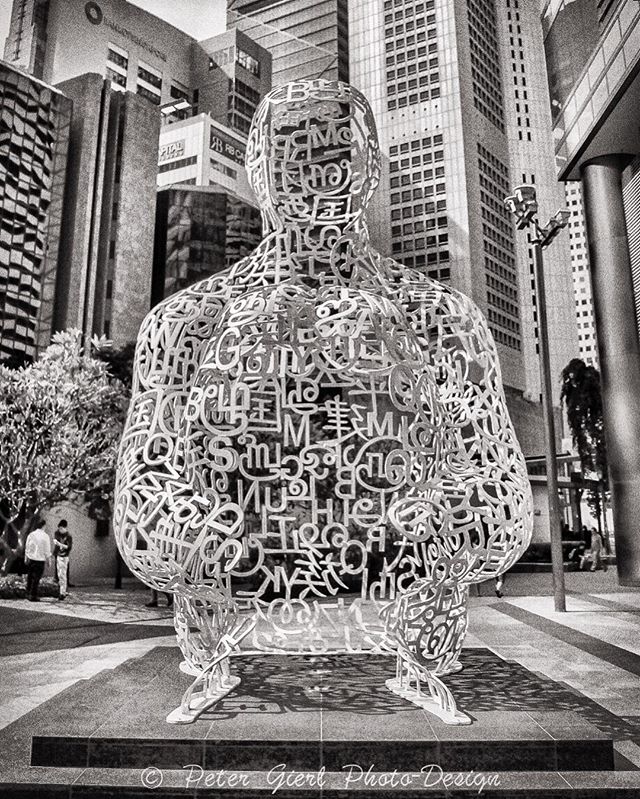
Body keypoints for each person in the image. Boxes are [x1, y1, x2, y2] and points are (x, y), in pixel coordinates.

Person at [24, 518, 51, 602]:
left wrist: (26, 557)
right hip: (40, 560)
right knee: (36, 578)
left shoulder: (31, 535)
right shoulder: (45, 536)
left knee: (30, 577)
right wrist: (49, 560)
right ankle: (33, 595)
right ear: (44, 526)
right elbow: (47, 550)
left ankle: (27, 593)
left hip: (31, 559)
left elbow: (27, 547)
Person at [53, 519, 73, 600]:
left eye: (61, 528)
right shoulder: (57, 533)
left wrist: (60, 544)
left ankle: (62, 592)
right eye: (59, 528)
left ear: (65, 528)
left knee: (63, 574)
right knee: (59, 574)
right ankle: (61, 591)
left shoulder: (68, 536)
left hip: (64, 556)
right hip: (58, 555)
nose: (60, 530)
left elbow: (69, 547)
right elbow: (56, 539)